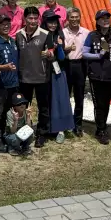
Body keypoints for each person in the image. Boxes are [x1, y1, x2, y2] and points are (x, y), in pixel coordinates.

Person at [82, 9, 111, 145]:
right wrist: (98, 55)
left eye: (107, 18)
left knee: (105, 103)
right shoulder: (92, 35)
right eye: (102, 18)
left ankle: (102, 126)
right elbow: (84, 53)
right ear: (97, 21)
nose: (105, 21)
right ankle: (101, 130)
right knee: (98, 104)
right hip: (96, 76)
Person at [15, 6, 50, 148]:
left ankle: (41, 134)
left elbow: (51, 52)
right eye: (30, 18)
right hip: (24, 77)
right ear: (25, 19)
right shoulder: (19, 34)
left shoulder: (45, 34)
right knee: (23, 107)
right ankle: (24, 134)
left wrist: (50, 54)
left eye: (36, 18)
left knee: (43, 107)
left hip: (41, 76)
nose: (33, 21)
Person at [42, 10, 73, 143]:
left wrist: (59, 47)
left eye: (55, 22)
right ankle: (48, 128)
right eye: (50, 22)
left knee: (59, 100)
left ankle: (61, 128)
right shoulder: (41, 36)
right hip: (43, 72)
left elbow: (61, 57)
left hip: (58, 71)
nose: (53, 25)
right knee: (46, 101)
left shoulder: (59, 36)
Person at [0, 13, 19, 152]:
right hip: (1, 84)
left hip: (13, 84)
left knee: (11, 112)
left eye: (8, 23)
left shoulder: (13, 41)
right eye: (3, 24)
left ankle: (8, 136)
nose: (6, 26)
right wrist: (4, 67)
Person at [63, 7, 90, 137]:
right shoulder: (63, 32)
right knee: (66, 96)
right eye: (71, 17)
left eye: (76, 17)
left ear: (80, 17)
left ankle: (78, 124)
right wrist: (67, 49)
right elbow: (60, 51)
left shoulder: (86, 33)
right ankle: (66, 123)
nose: (74, 19)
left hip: (80, 65)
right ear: (68, 18)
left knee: (79, 96)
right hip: (67, 65)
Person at [5, 92, 34, 156]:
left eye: (23, 103)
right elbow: (12, 131)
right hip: (11, 135)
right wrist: (15, 120)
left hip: (21, 133)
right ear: (14, 106)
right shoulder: (10, 113)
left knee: (31, 133)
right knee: (15, 138)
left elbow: (29, 128)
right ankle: (12, 148)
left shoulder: (26, 112)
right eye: (19, 104)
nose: (22, 105)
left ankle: (25, 146)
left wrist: (28, 116)